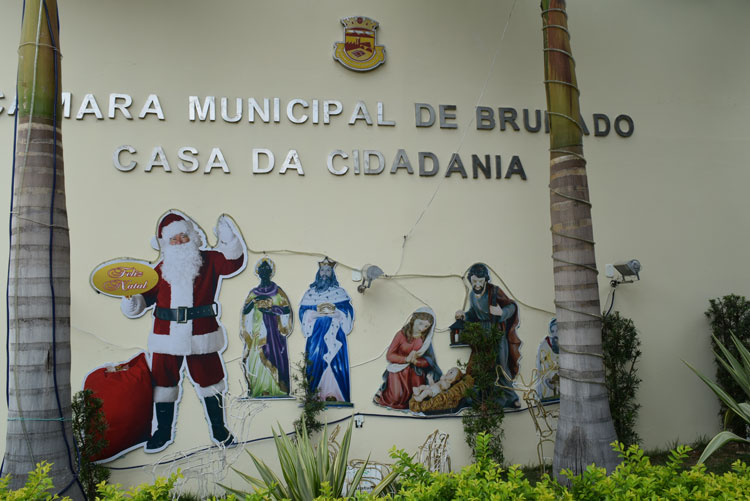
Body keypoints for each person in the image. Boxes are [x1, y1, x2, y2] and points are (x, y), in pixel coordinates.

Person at [120, 211, 246, 452]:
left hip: (202, 335)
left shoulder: (208, 260)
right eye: (173, 239)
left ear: (192, 236)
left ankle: (219, 429)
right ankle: (163, 432)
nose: (179, 242)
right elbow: (141, 302)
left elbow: (233, 262)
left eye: (183, 236)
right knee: (163, 383)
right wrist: (129, 299)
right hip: (166, 337)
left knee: (211, 381)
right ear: (165, 244)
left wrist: (228, 236)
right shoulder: (159, 270)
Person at [455, 262, 521, 408]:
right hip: (481, 335)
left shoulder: (495, 292)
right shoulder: (472, 295)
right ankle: (485, 398)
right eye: (474, 281)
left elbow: (512, 306)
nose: (477, 284)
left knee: (500, 365)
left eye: (480, 281)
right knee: (482, 366)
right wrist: (464, 315)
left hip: (496, 333)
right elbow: (474, 313)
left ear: (485, 280)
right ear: (470, 280)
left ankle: (511, 397)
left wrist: (502, 312)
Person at [298, 258, 355, 403]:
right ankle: (314, 395)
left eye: (328, 270)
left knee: (335, 362)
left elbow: (347, 310)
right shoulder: (310, 294)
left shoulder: (339, 293)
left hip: (335, 335)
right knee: (315, 360)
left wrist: (339, 314)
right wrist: (313, 315)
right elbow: (303, 313)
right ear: (318, 273)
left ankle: (336, 394)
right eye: (322, 270)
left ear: (332, 274)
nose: (324, 273)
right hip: (316, 337)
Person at [241, 257, 293, 397]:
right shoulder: (254, 292)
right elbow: (245, 311)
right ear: (258, 273)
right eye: (262, 271)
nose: (264, 273)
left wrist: (271, 310)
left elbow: (286, 310)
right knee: (256, 360)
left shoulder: (277, 291)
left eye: (267, 270)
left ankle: (276, 388)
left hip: (273, 333)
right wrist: (254, 303)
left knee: (274, 356)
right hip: (257, 332)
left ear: (270, 272)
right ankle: (258, 389)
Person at [374, 307, 442, 410]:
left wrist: (417, 361)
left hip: (415, 371)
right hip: (398, 369)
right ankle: (383, 392)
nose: (422, 328)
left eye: (426, 326)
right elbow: (390, 355)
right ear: (413, 320)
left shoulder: (425, 340)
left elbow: (429, 360)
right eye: (420, 323)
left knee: (417, 396)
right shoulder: (401, 335)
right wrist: (406, 359)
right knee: (396, 397)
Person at [536, 318, 560, 400]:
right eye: (553, 331)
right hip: (549, 380)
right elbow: (543, 367)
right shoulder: (544, 346)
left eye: (557, 331)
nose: (555, 334)